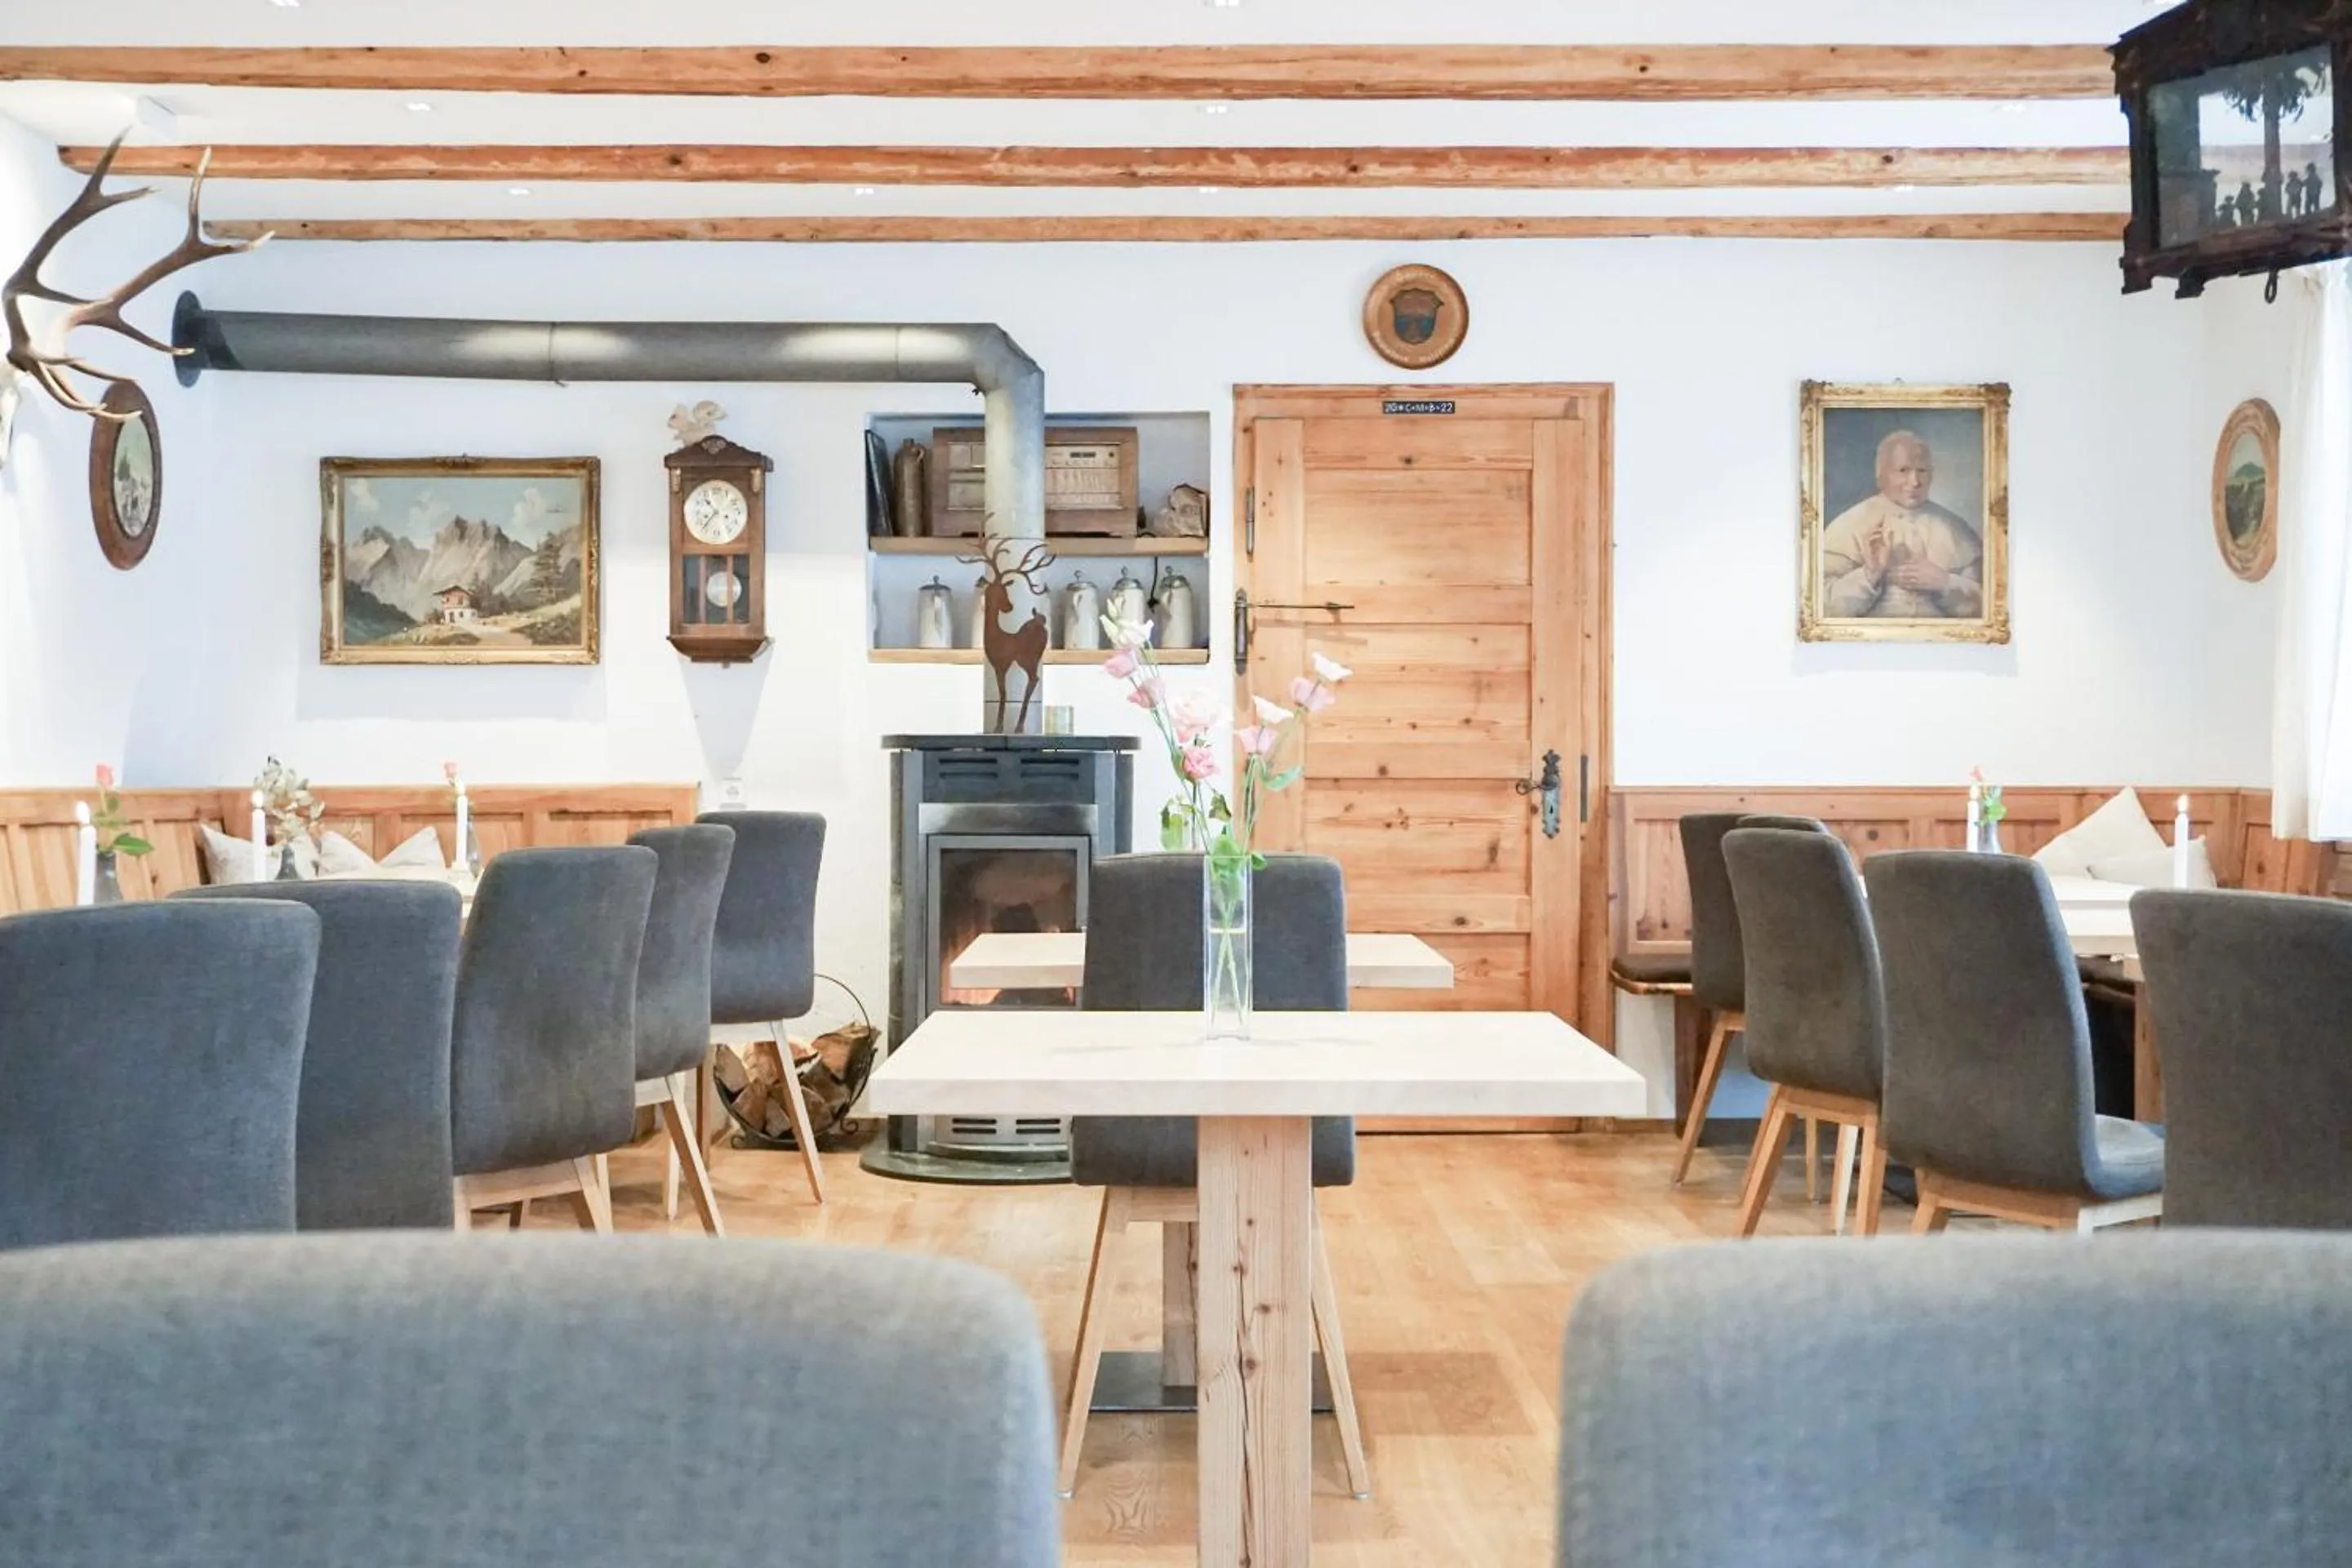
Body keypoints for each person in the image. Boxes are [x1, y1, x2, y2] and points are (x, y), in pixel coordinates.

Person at [1819, 430, 1984, 620]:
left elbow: (1986, 609)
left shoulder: (1956, 528)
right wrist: (1869, 575)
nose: (1915, 482)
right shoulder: (1849, 524)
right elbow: (1823, 608)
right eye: (1903, 470)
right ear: (1881, 475)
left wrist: (1945, 582)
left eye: (1922, 471)